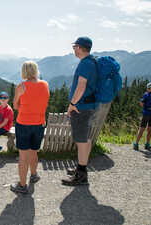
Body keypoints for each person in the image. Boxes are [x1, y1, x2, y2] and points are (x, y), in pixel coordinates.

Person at [62, 37, 98, 186]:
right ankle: (80, 167)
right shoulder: (91, 62)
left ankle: (81, 175)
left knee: (81, 141)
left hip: (81, 107)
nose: (73, 49)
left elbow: (81, 86)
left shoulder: (85, 64)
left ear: (80, 47)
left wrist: (72, 104)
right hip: (88, 106)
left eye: (74, 46)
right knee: (86, 138)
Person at [10, 61, 49, 193]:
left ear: (24, 72)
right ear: (36, 70)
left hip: (24, 124)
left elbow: (15, 105)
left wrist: (24, 106)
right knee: (34, 151)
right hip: (39, 124)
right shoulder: (45, 84)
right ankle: (33, 175)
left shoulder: (21, 86)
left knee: (23, 156)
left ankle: (22, 186)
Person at [133, 82, 151, 150]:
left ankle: (136, 144)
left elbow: (141, 103)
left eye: (148, 88)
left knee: (142, 128)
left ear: (150, 88)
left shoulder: (147, 94)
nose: (147, 89)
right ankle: (147, 144)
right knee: (150, 129)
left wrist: (145, 107)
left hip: (146, 114)